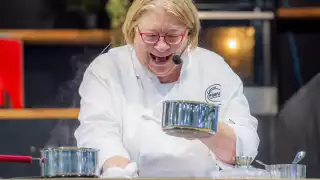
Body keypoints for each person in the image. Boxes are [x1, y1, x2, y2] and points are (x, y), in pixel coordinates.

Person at [74, 0, 259, 178]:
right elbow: (97, 134)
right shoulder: (107, 70)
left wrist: (203, 126)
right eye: (151, 36)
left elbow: (245, 147)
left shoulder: (213, 68)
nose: (161, 46)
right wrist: (118, 171)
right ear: (133, 32)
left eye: (172, 36)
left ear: (189, 34)